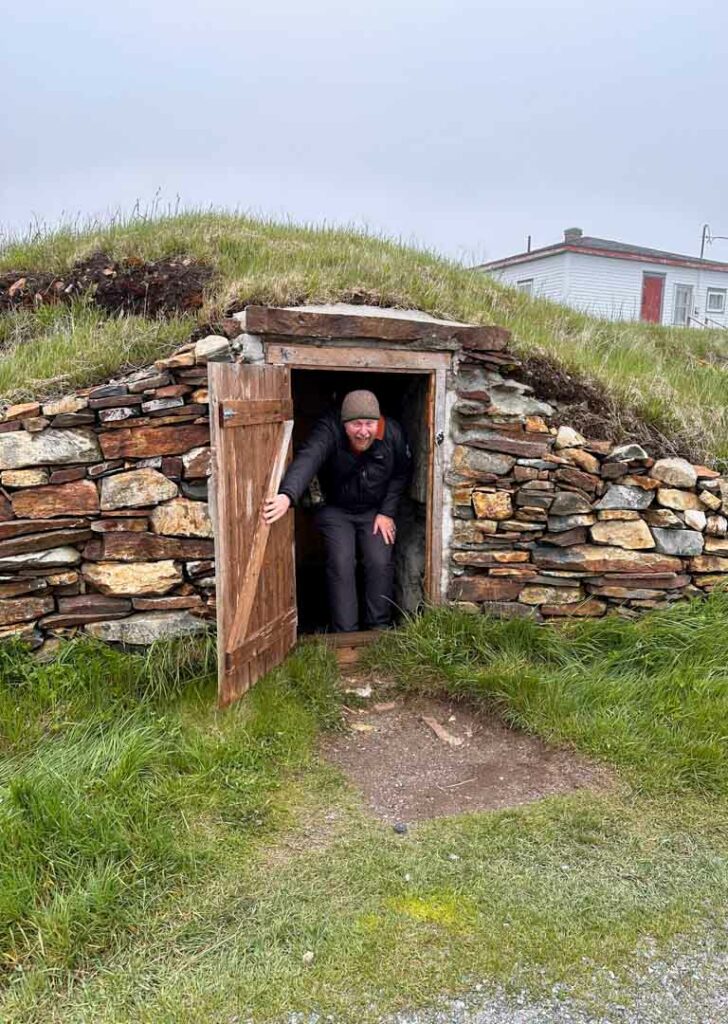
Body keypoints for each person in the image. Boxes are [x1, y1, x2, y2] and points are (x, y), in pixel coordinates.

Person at [263, 389, 410, 633]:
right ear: (344, 423)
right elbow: (308, 458)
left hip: (375, 511)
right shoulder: (329, 429)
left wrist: (387, 511)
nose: (364, 431)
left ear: (378, 421)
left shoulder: (392, 433)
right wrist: (287, 495)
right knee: (341, 563)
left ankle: (379, 627)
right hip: (335, 508)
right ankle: (345, 632)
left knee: (379, 560)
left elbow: (401, 473)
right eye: (356, 424)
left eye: (369, 424)